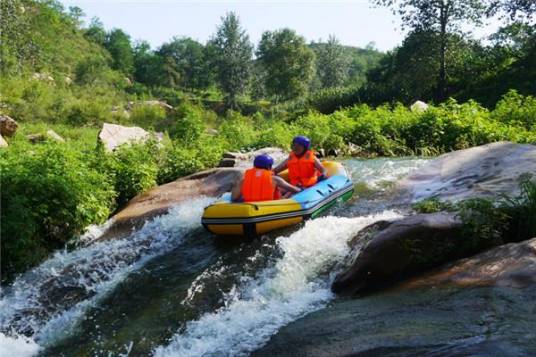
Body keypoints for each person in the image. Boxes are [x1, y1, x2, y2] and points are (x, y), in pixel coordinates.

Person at [231, 154, 302, 202]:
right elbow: (296, 190)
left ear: (254, 165)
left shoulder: (243, 179)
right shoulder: (274, 179)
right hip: (269, 206)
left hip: (249, 205)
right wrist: (298, 187)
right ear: (269, 167)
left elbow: (234, 198)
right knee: (290, 190)